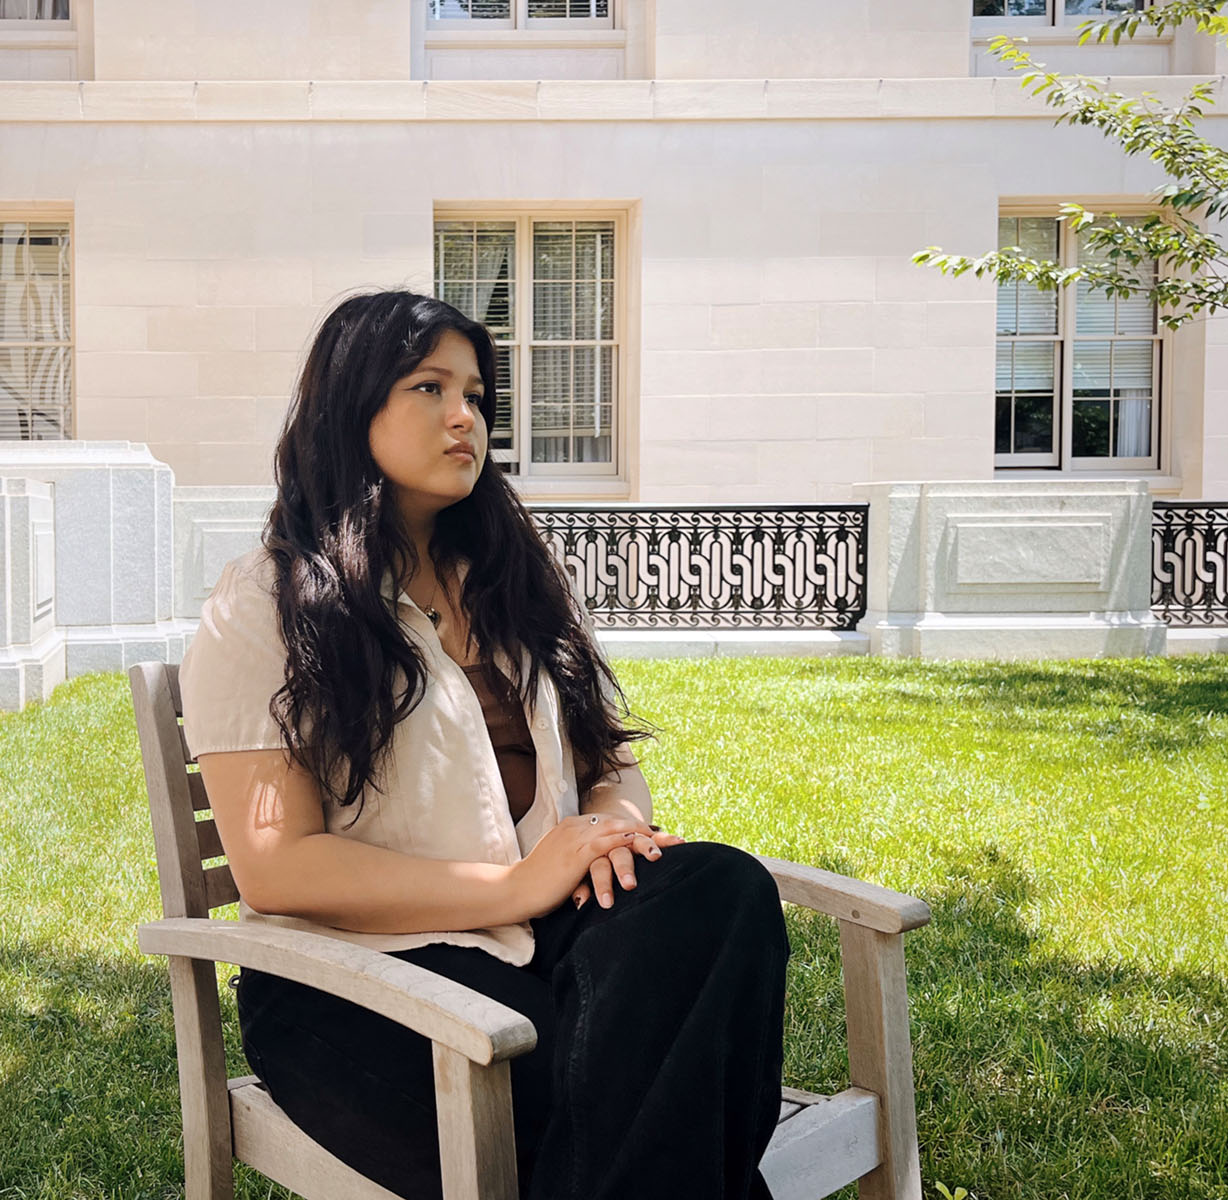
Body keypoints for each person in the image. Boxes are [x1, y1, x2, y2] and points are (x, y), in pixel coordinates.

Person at [176, 288, 790, 1200]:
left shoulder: (510, 580)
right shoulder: (267, 604)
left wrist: (609, 835)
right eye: (431, 387)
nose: (467, 416)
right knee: (661, 1086)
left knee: (722, 890)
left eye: (478, 395)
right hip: (357, 986)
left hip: (541, 939)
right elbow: (276, 868)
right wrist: (511, 884)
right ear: (353, 404)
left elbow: (605, 762)